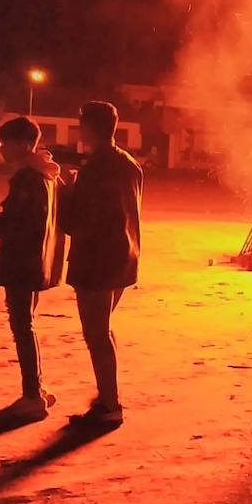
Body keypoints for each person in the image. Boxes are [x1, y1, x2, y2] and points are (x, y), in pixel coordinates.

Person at [59, 100, 142, 430]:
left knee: (96, 333)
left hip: (97, 261)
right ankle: (108, 397)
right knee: (103, 330)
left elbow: (76, 221)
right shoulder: (129, 163)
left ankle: (109, 404)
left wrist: (65, 189)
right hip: (123, 259)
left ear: (90, 128)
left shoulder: (96, 167)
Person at [0, 117, 65, 423]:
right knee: (25, 324)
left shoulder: (28, 177)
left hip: (22, 262)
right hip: (36, 261)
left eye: (4, 143)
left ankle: (32, 395)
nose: (1, 149)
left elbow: (21, 223)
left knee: (22, 326)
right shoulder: (47, 174)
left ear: (21, 144)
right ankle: (37, 389)